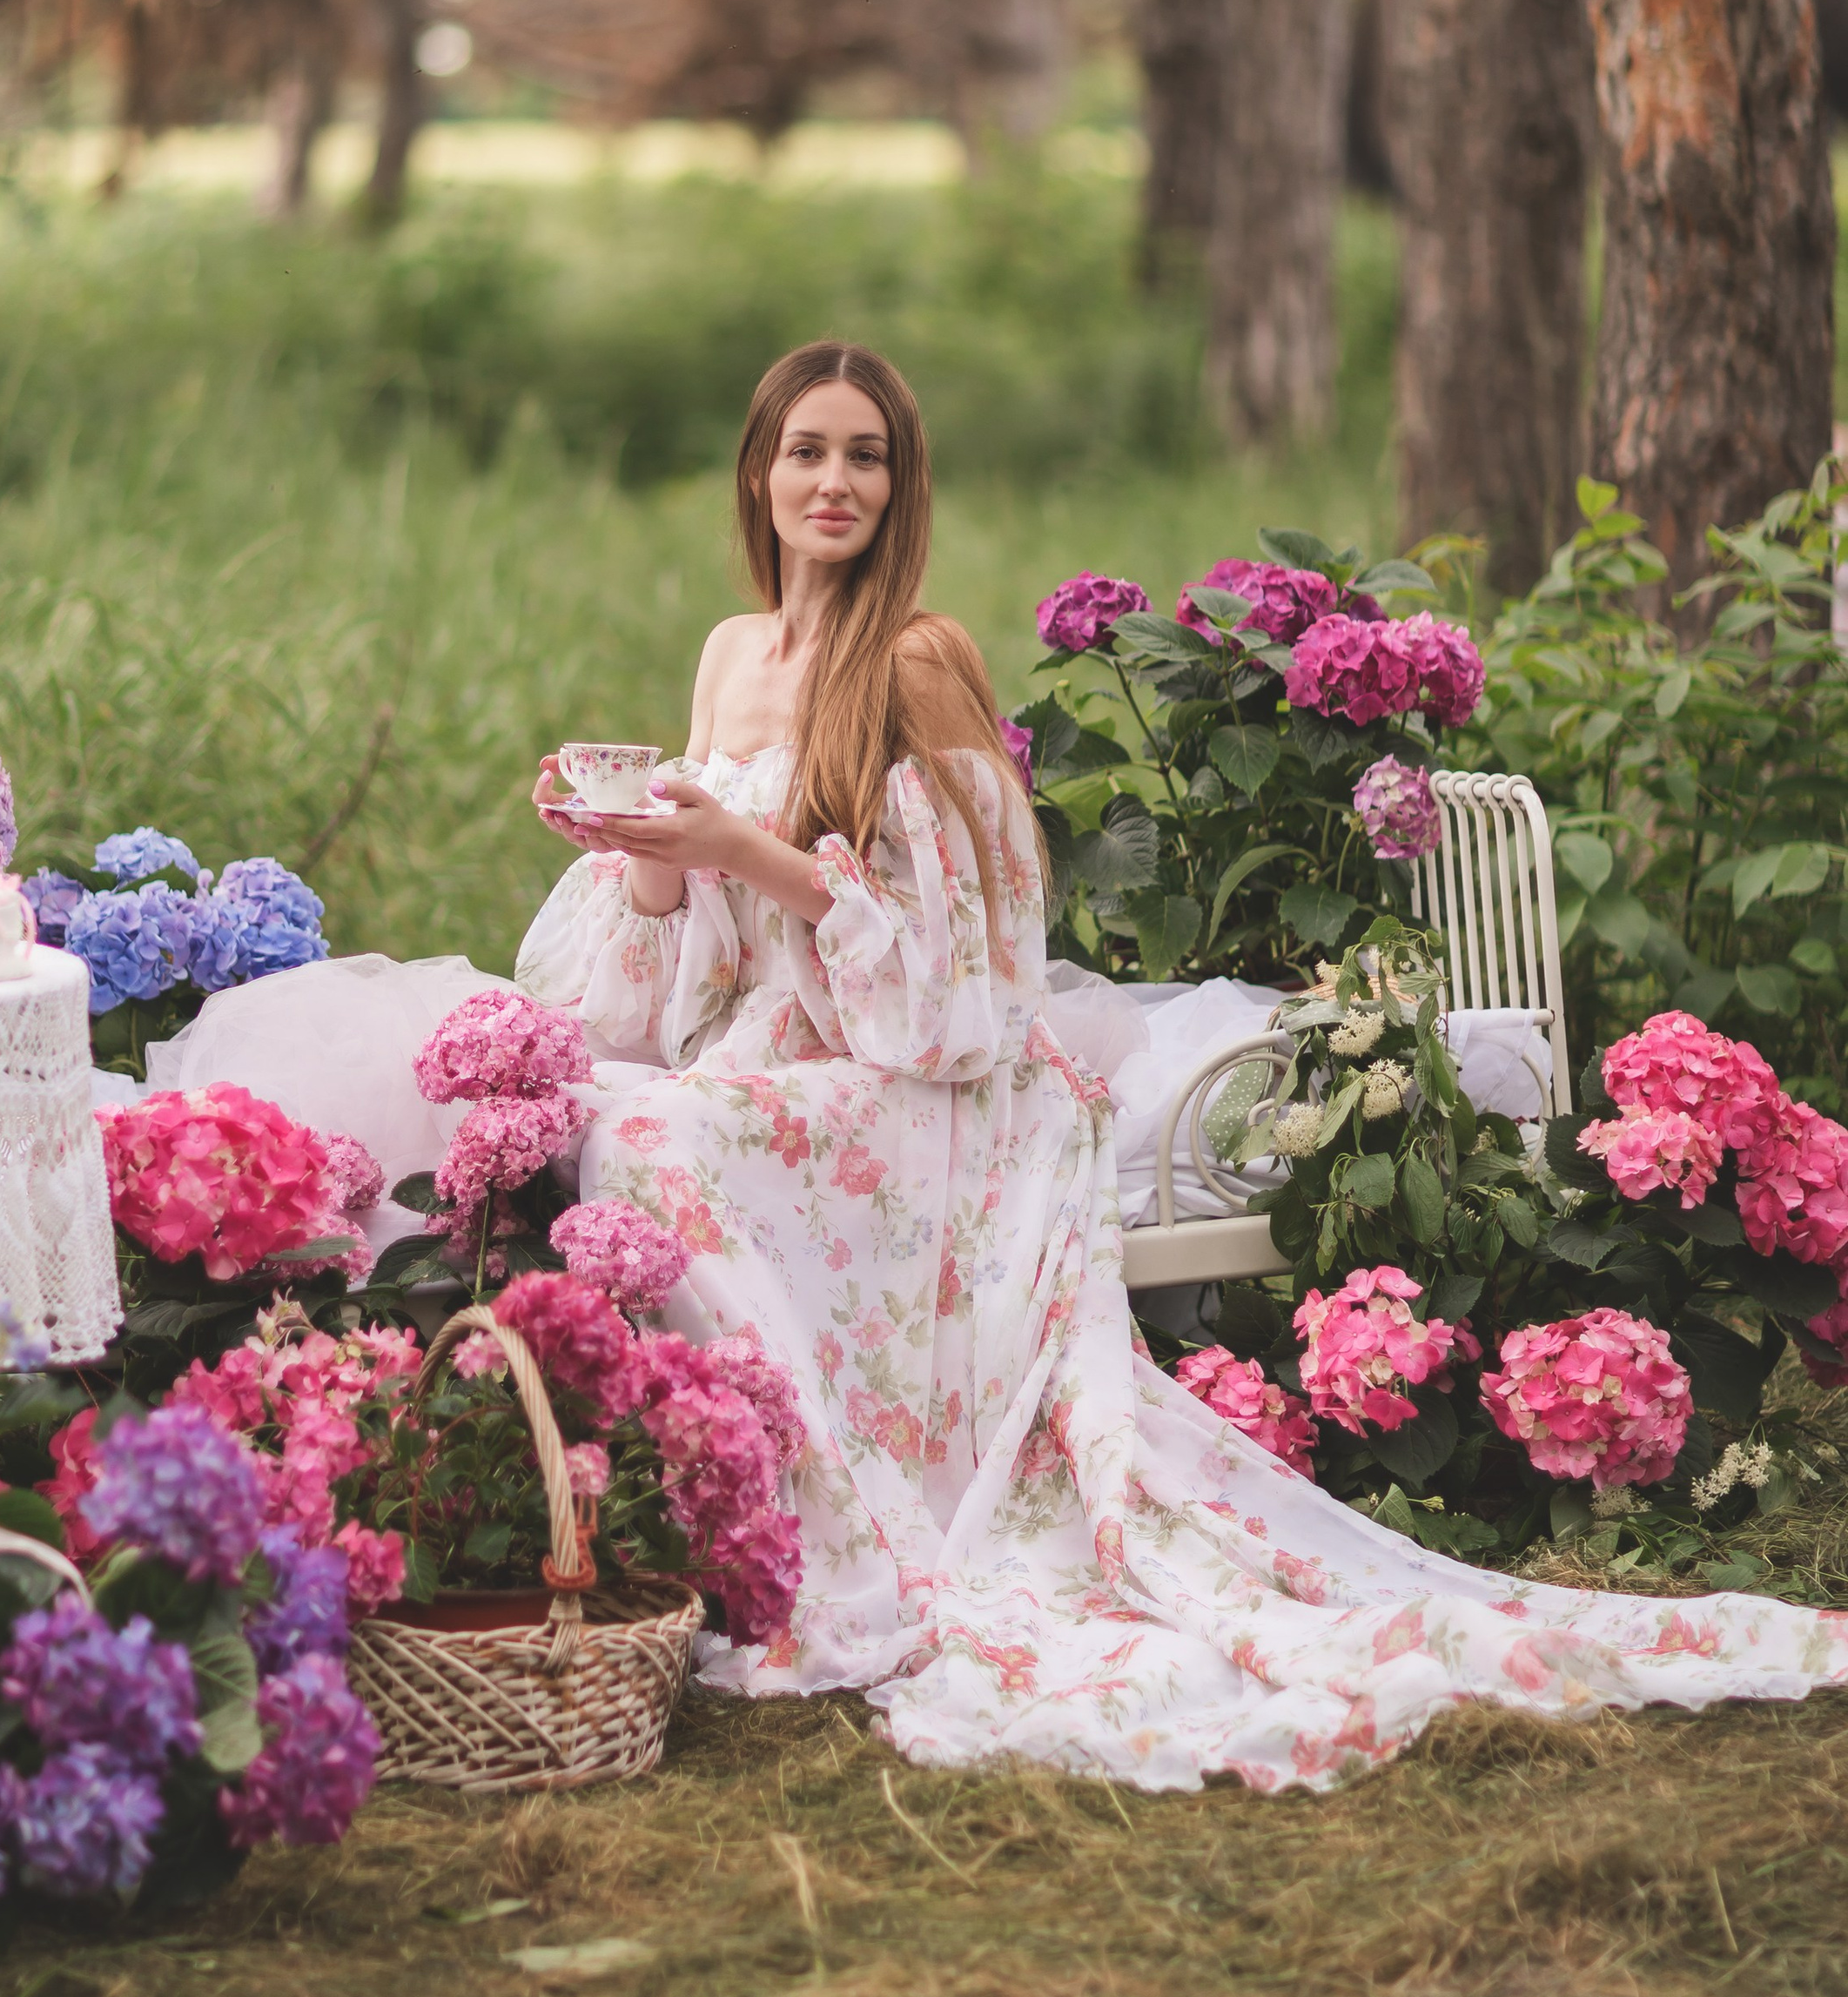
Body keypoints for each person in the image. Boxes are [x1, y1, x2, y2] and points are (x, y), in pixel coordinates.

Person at [161, 340, 1848, 1789]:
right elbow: (673, 983)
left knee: (665, 1146)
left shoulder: (919, 660)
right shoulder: (733, 652)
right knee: (590, 1102)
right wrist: (649, 861)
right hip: (782, 1051)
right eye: (806, 451)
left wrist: (750, 854)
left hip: (934, 1083)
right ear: (757, 474)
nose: (834, 481)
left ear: (900, 486)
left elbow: (970, 974)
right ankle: (658, 1501)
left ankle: (829, 1520)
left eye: (867, 456)